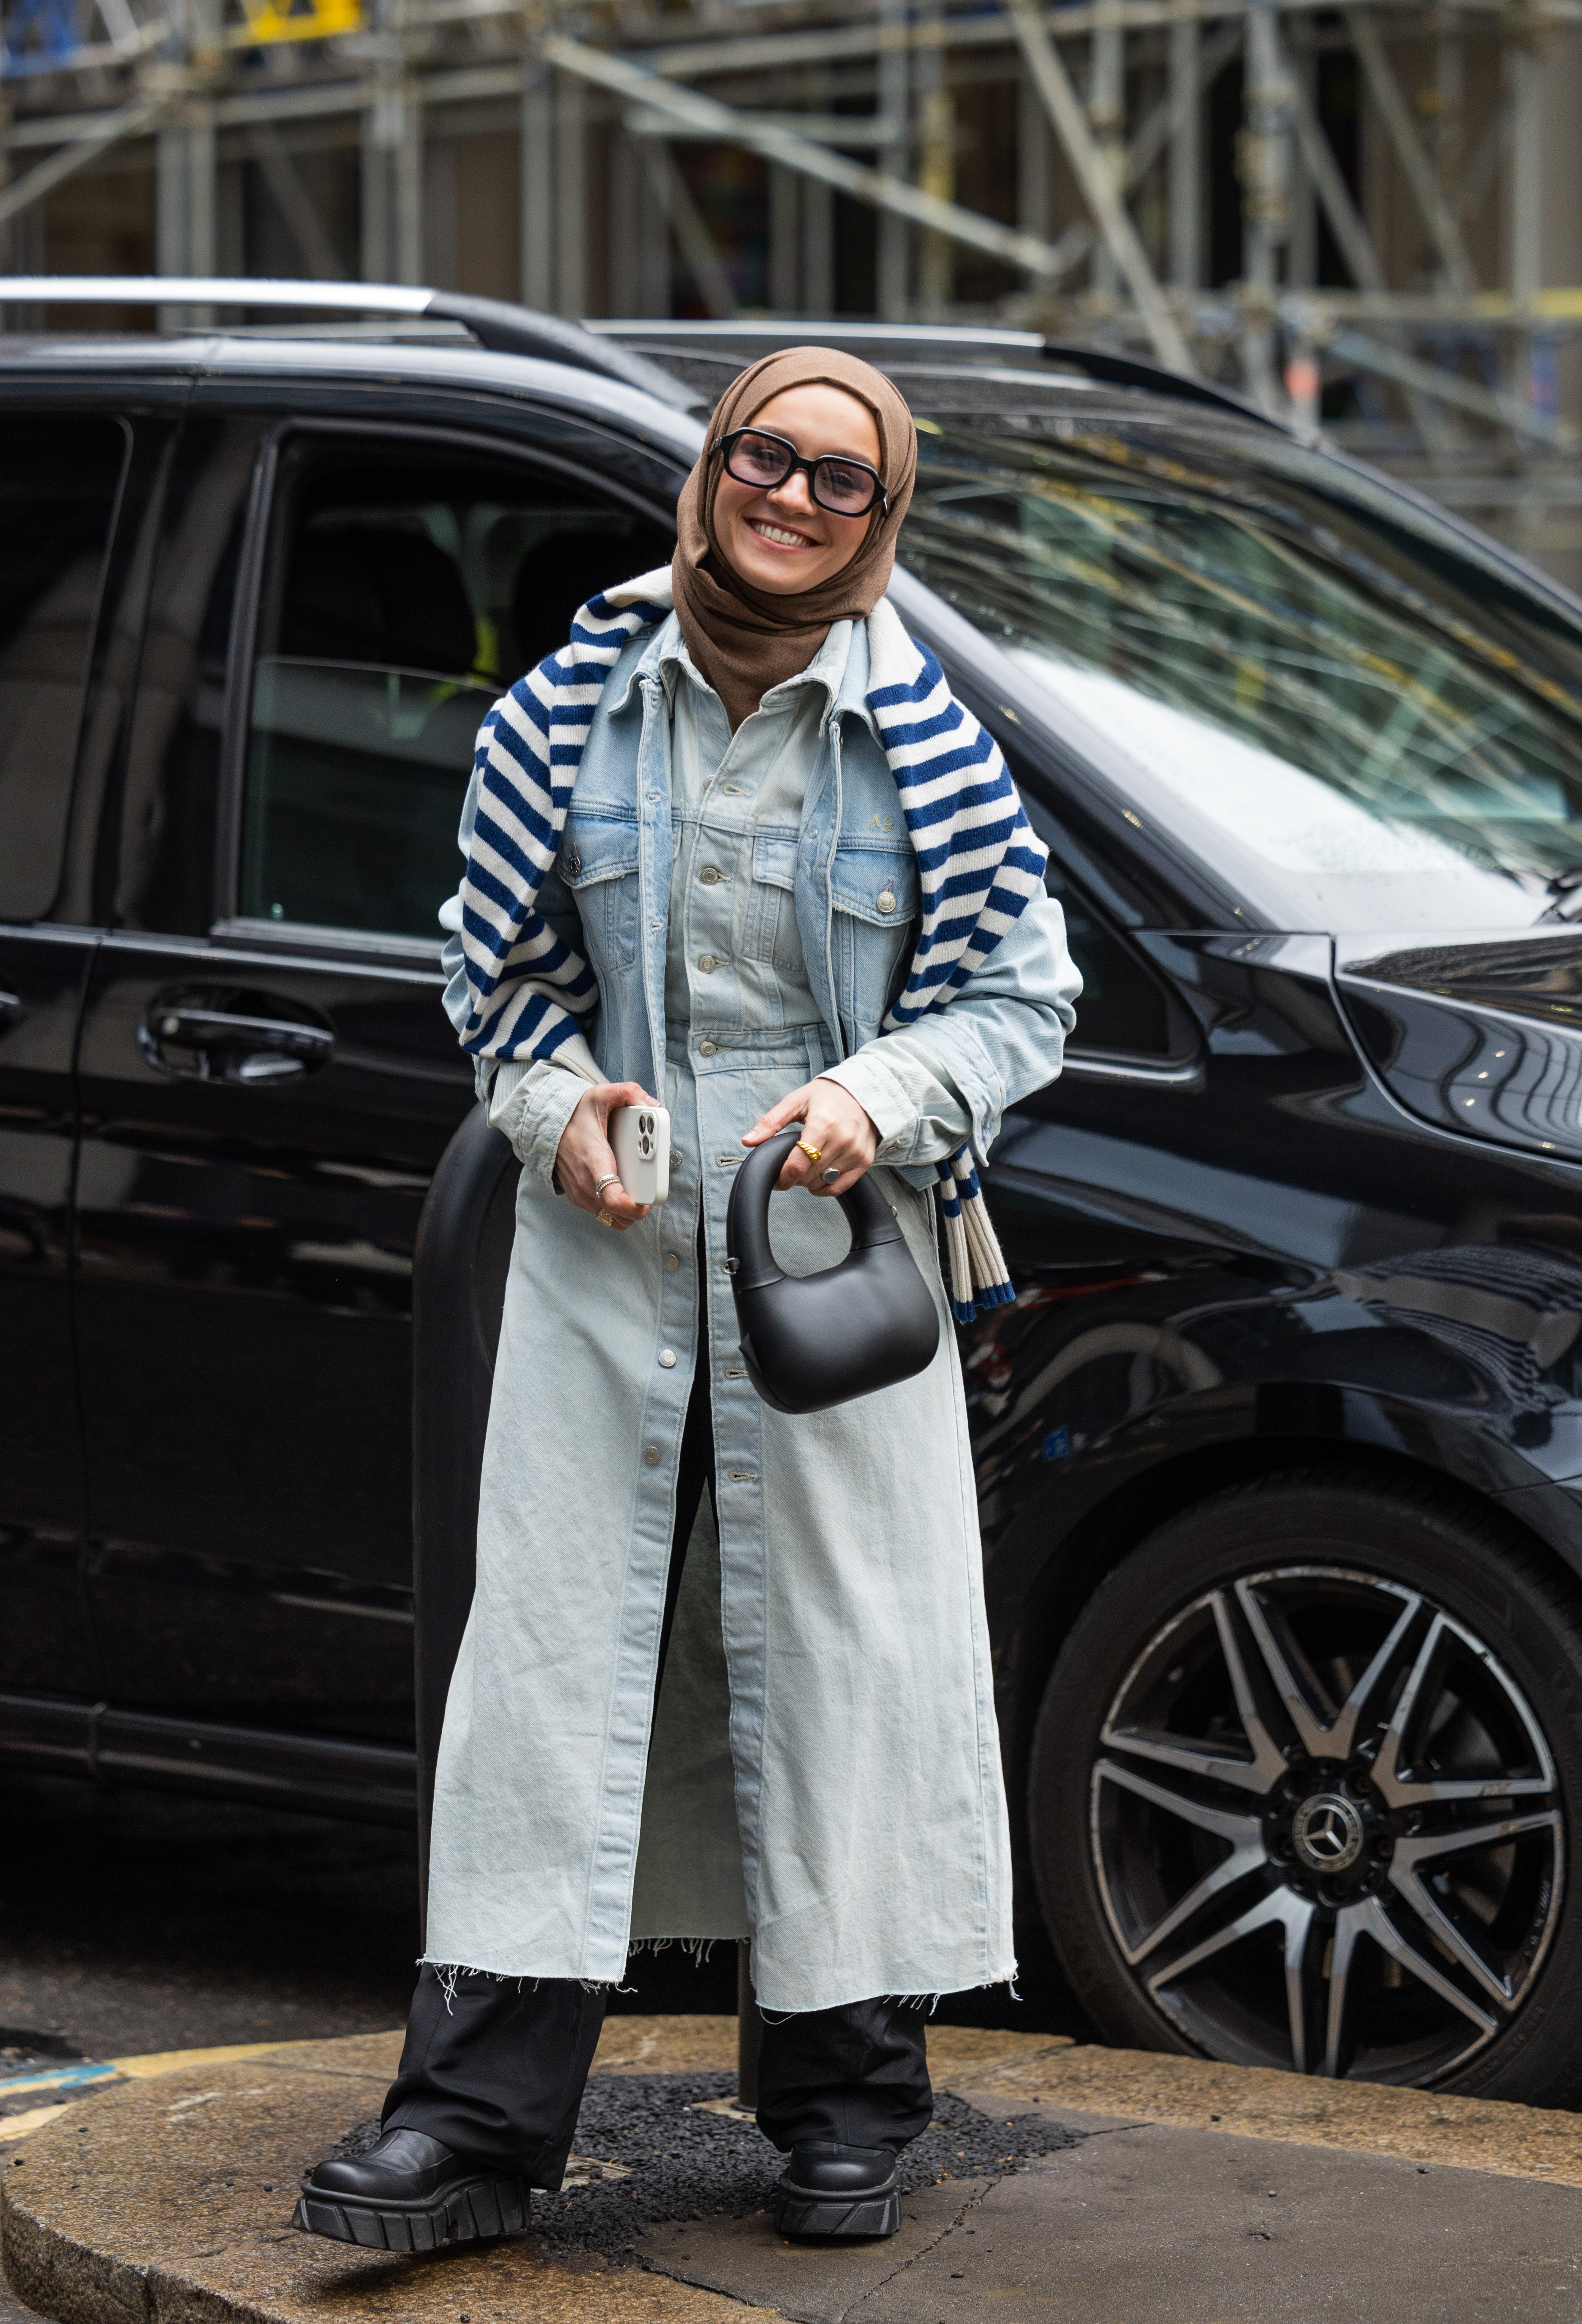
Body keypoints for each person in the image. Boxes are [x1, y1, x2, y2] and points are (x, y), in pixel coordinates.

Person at [296, 348, 1081, 2254]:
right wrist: (559, 1103)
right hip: (605, 1259)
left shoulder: (925, 741)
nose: (793, 497)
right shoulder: (567, 705)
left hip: (823, 1264)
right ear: (712, 466)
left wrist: (873, 1095)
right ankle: (472, 2124)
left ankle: (844, 2107)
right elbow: (494, 988)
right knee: (555, 1678)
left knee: (838, 1668)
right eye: (765, 455)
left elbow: (1025, 994)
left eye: (842, 477)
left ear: (882, 521)